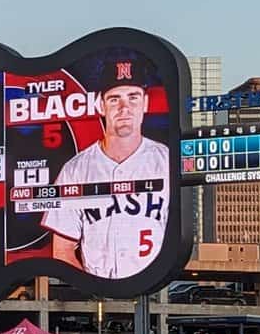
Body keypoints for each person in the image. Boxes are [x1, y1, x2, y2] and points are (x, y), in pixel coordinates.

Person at [42, 50, 169, 279]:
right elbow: (62, 251)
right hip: (98, 289)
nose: (124, 108)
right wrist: (94, 290)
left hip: (155, 288)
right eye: (114, 99)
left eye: (133, 97)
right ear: (101, 105)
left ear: (145, 103)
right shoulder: (75, 169)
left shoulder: (166, 161)